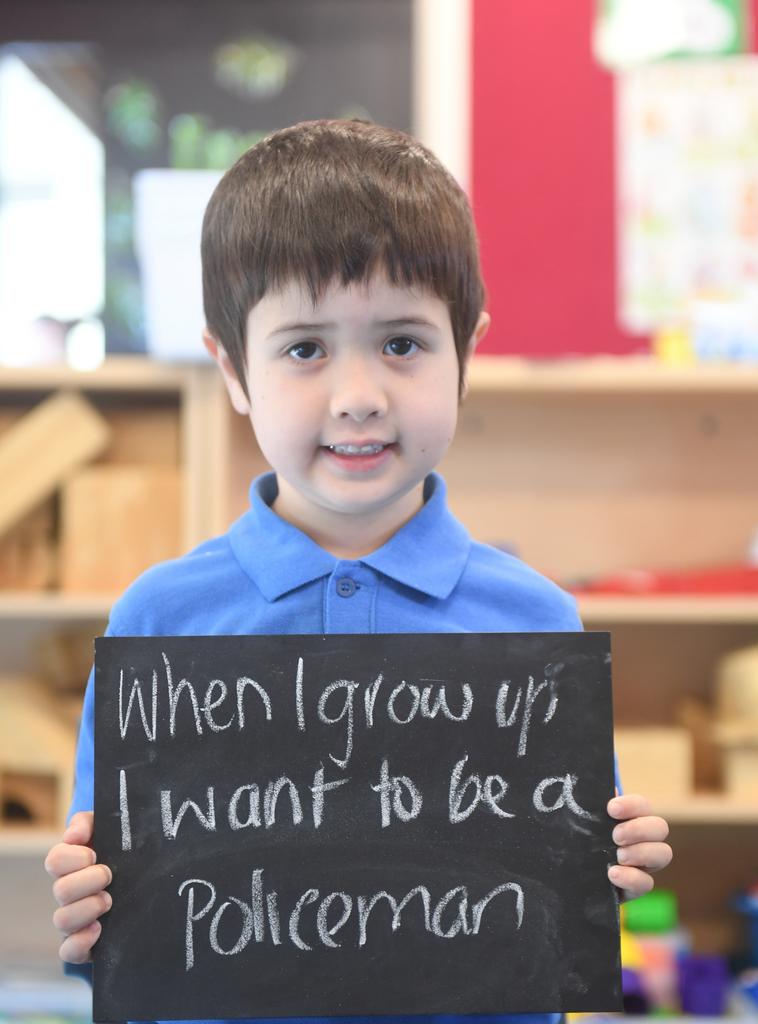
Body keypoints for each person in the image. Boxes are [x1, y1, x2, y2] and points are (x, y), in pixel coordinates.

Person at [44, 119, 672, 1022]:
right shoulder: (158, 620)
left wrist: (609, 874)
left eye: (404, 344)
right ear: (231, 368)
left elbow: (557, 901)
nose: (359, 394)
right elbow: (123, 923)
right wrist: (88, 922)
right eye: (305, 348)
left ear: (467, 352)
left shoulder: (536, 622)